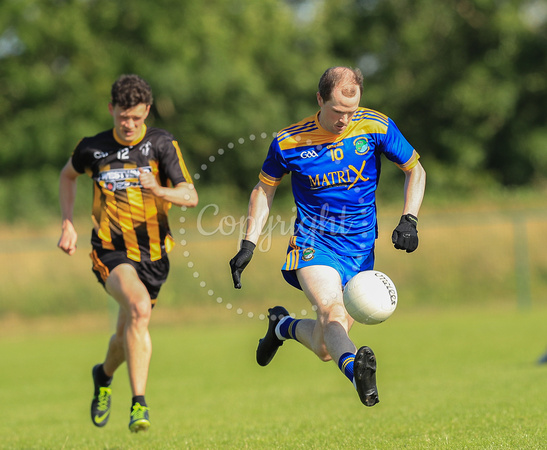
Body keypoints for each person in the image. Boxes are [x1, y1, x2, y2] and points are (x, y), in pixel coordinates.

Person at [229, 66, 425, 406]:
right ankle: (357, 374)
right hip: (314, 242)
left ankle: (282, 326)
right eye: (337, 111)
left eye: (351, 112)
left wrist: (409, 218)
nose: (345, 120)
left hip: (361, 250)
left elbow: (415, 170)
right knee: (332, 311)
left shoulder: (376, 126)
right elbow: (264, 189)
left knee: (325, 345)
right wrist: (248, 243)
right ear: (319, 99)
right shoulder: (290, 141)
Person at [58, 74, 198, 432]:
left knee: (126, 334)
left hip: (154, 256)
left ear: (147, 111)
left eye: (137, 117)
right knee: (138, 310)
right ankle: (139, 404)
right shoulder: (92, 148)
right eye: (123, 117)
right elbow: (67, 176)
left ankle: (103, 376)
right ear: (111, 109)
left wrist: (159, 190)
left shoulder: (162, 144)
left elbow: (189, 196)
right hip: (110, 251)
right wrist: (68, 224)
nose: (130, 124)